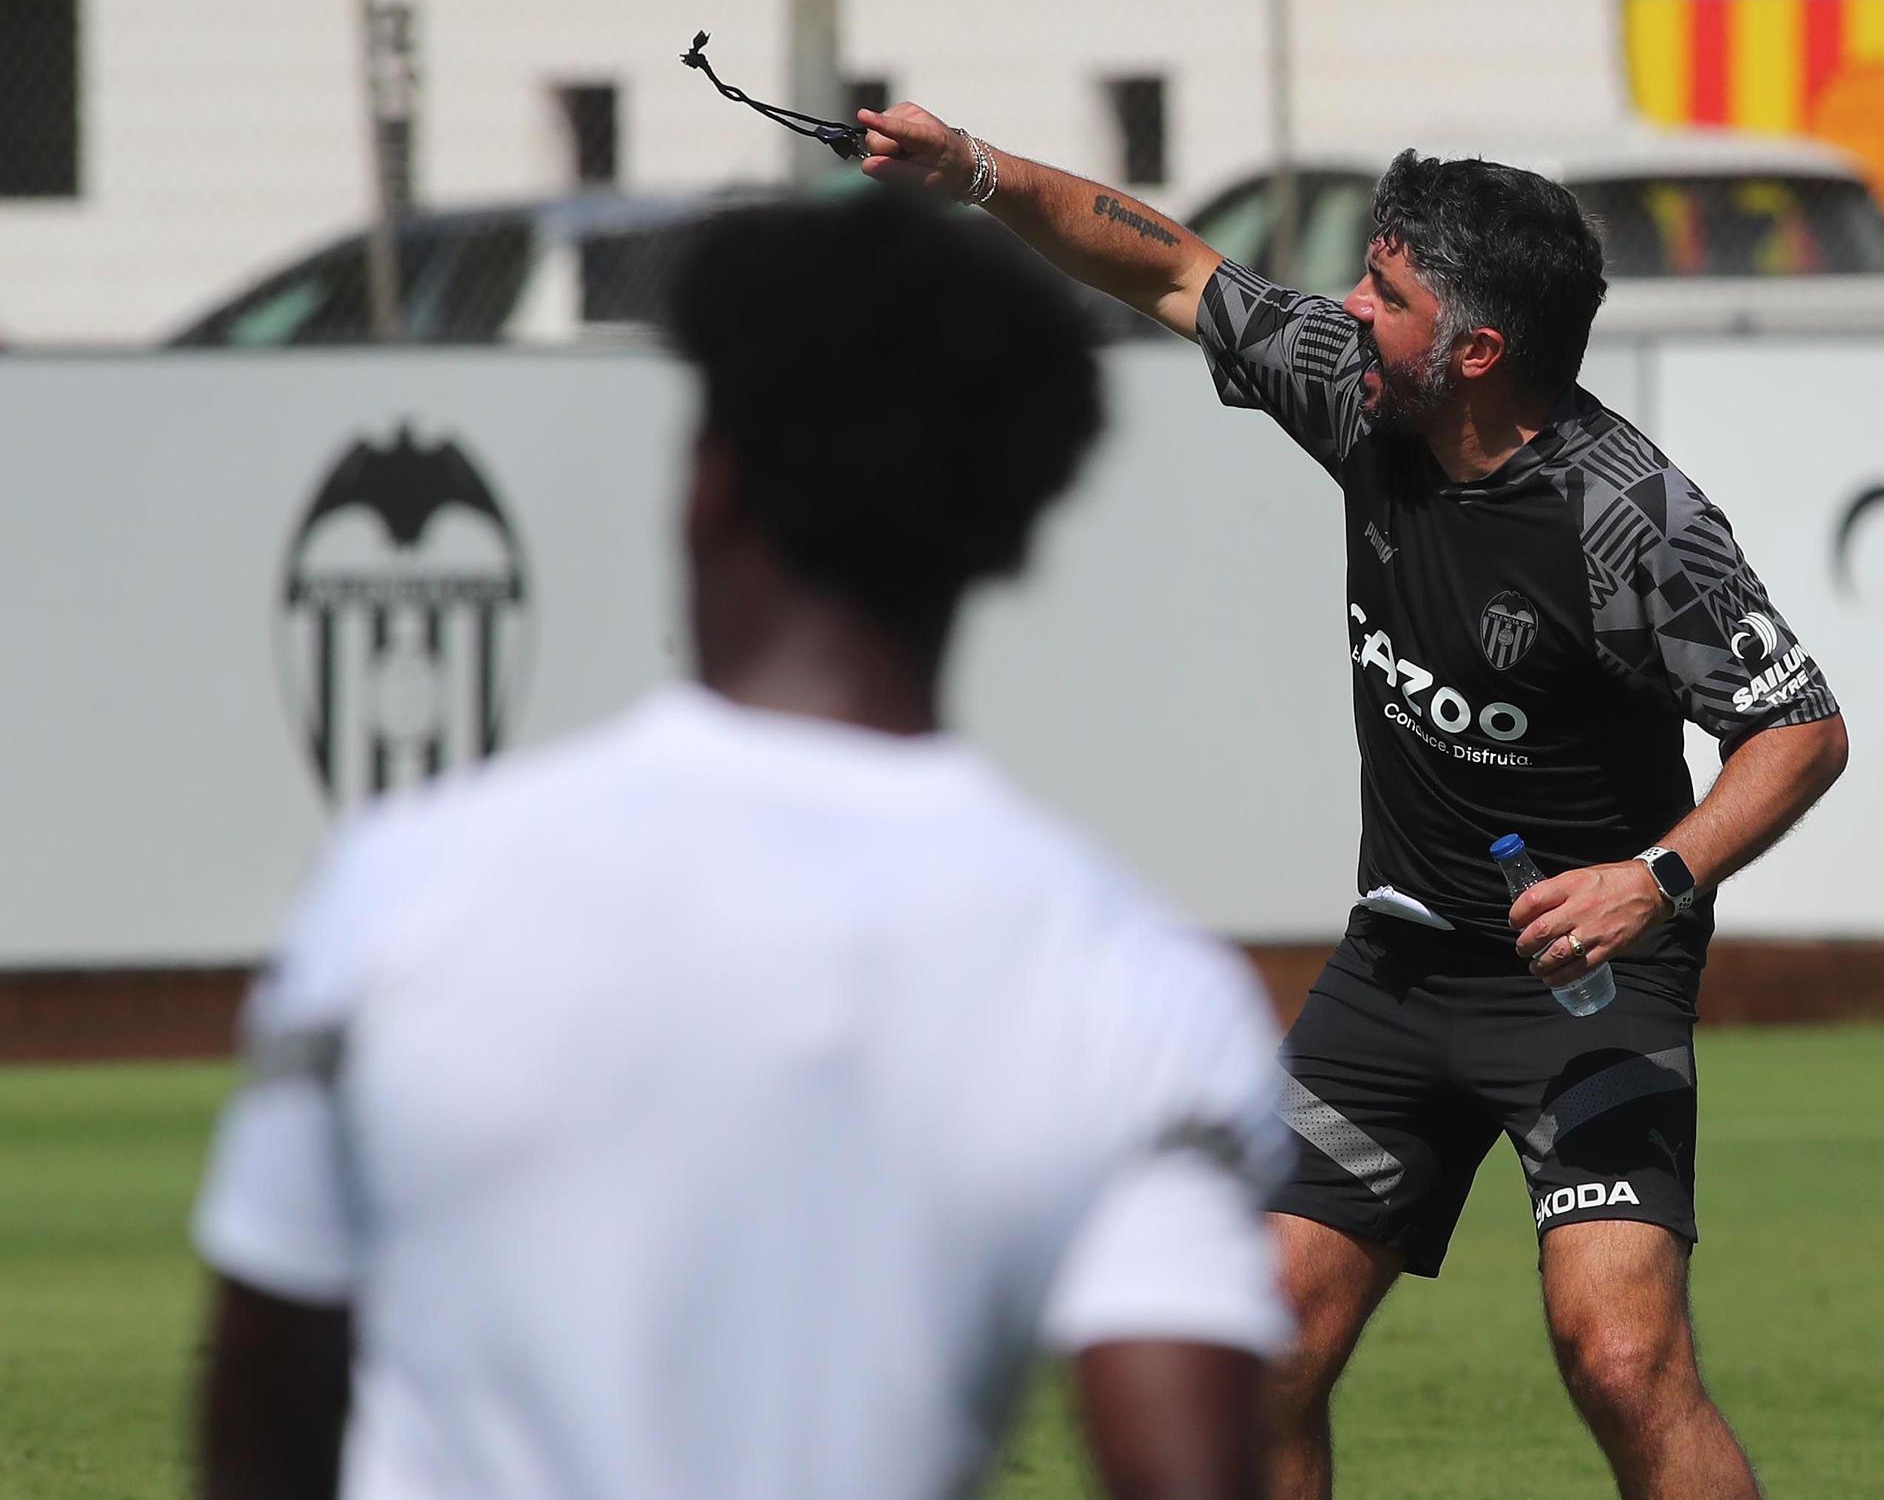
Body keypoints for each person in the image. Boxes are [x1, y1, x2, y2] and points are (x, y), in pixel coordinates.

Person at [191, 195, 1293, 1500]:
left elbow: (262, 1433)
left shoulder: (402, 893)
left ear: (709, 486)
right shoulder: (1138, 992)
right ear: (1010, 531)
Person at [855, 108, 1849, 1500]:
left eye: (1385, 296)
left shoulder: (1634, 521)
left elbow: (1798, 732)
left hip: (1586, 992)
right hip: (1393, 975)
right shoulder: (1361, 388)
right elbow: (1167, 270)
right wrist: (975, 170)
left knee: (1622, 1360)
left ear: (1477, 351)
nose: (1342, 311)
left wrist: (1654, 882)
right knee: (1254, 1355)